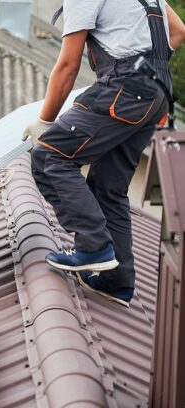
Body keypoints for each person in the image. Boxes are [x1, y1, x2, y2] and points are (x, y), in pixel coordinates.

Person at [25, 0, 185, 307]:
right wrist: (144, 62)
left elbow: (68, 66)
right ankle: (116, 282)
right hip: (157, 92)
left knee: (49, 158)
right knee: (108, 187)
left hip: (127, 87)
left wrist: (45, 122)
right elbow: (177, 31)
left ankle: (93, 246)